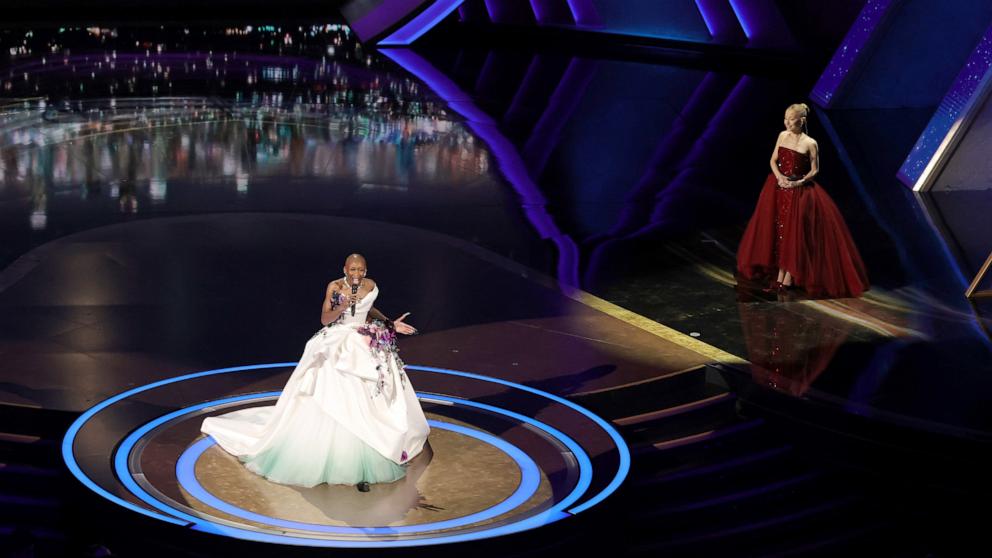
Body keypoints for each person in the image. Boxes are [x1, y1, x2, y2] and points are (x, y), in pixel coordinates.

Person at [201, 254, 430, 492]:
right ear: (344, 268)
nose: (356, 274)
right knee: (333, 390)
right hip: (339, 341)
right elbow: (325, 318)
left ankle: (371, 441)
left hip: (363, 339)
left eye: (361, 270)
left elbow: (368, 307)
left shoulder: (370, 285)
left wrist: (389, 323)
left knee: (369, 390)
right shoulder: (335, 286)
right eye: (352, 269)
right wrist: (342, 306)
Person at [736, 103, 869, 298]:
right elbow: (773, 160)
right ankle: (780, 274)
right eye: (785, 119)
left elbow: (815, 170)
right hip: (779, 188)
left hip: (799, 191)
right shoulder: (782, 136)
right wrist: (779, 176)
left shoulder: (810, 143)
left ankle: (788, 276)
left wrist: (799, 182)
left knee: (794, 232)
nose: (788, 123)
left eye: (792, 119)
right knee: (779, 230)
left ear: (802, 120)